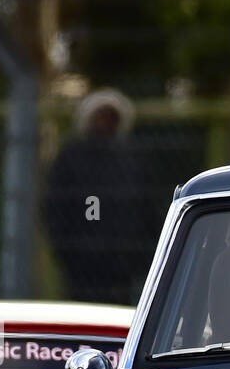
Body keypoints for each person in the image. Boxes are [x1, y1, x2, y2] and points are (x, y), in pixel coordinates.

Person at [43, 88, 156, 305]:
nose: (104, 123)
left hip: (122, 258)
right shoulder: (71, 156)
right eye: (99, 117)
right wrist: (65, 247)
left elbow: (146, 205)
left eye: (110, 117)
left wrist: (139, 252)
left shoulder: (132, 158)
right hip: (79, 257)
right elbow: (55, 205)